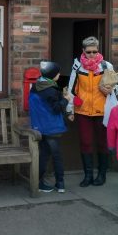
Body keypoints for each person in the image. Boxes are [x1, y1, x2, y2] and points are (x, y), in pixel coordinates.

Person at [68, 36, 118, 187]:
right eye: (89, 52)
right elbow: (72, 89)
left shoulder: (106, 66)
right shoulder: (78, 66)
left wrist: (111, 90)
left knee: (103, 143)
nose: (92, 55)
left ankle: (102, 175)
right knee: (85, 143)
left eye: (94, 51)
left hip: (102, 111)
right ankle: (88, 176)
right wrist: (70, 109)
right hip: (83, 111)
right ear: (83, 51)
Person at [29, 61, 71, 193]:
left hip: (39, 126)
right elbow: (56, 108)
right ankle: (60, 183)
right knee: (56, 156)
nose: (59, 74)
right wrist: (66, 99)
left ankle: (39, 181)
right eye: (57, 72)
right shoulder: (51, 90)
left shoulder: (36, 86)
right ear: (53, 74)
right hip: (52, 128)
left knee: (44, 155)